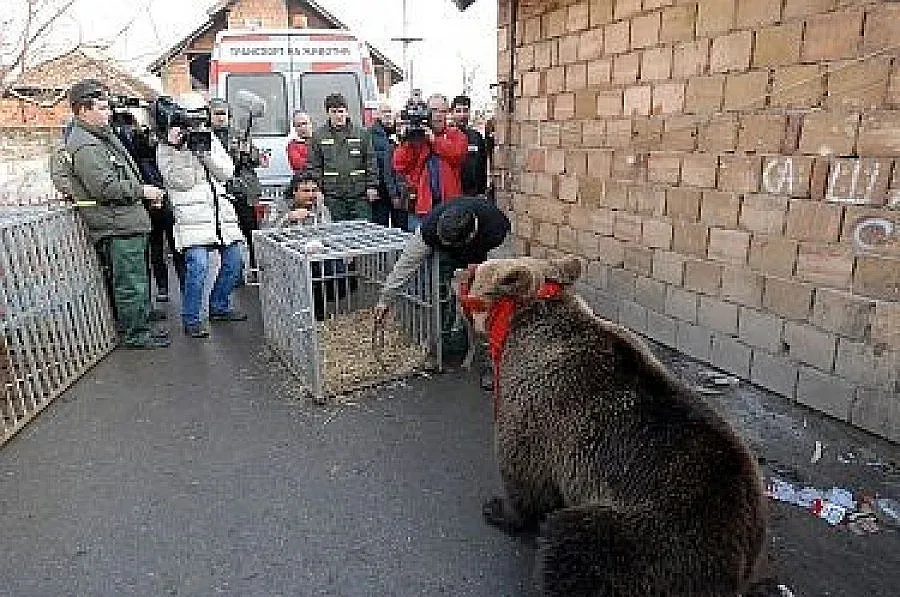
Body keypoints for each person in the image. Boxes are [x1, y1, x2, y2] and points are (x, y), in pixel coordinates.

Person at [62, 79, 170, 350]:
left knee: (136, 276)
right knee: (130, 281)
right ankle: (136, 332)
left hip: (125, 220)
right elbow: (105, 187)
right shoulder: (85, 145)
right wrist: (143, 192)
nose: (108, 112)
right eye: (101, 107)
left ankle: (140, 318)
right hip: (116, 223)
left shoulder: (100, 136)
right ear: (81, 110)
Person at [375, 196, 510, 380]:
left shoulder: (496, 226)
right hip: (448, 256)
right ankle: (444, 346)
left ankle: (491, 357)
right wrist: (385, 300)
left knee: (490, 305)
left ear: (470, 236)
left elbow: (503, 270)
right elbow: (404, 266)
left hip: (484, 259)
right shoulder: (430, 229)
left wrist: (475, 272)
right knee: (441, 295)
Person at [156, 93, 248, 338]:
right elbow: (181, 181)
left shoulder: (208, 138)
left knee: (235, 260)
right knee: (197, 265)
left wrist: (204, 151)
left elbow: (227, 172)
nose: (196, 124)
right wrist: (181, 151)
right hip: (191, 216)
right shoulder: (166, 146)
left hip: (220, 214)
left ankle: (218, 306)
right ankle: (192, 319)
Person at [393, 93, 468, 230]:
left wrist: (433, 140)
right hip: (422, 206)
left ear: (448, 113)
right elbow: (400, 165)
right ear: (426, 112)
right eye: (434, 110)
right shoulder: (416, 136)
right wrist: (407, 141)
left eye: (443, 111)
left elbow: (457, 155)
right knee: (419, 249)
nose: (438, 115)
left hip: (448, 206)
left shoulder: (457, 135)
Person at [306, 93, 379, 221]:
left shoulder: (362, 134)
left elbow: (370, 161)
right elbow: (314, 166)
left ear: (347, 112)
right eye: (334, 112)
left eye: (341, 111)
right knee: (335, 232)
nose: (338, 116)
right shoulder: (318, 136)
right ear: (328, 113)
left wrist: (372, 186)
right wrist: (317, 189)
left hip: (359, 195)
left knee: (363, 232)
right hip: (333, 196)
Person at [210, 97, 262, 276]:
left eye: (223, 113)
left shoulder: (239, 134)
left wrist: (248, 153)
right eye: (216, 114)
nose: (220, 118)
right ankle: (234, 271)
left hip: (242, 191)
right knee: (227, 235)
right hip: (220, 191)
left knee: (250, 230)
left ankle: (255, 266)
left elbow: (255, 160)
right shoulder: (206, 137)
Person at [369, 102, 408, 230]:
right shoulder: (369, 135)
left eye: (390, 112)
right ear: (377, 115)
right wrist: (372, 186)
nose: (387, 115)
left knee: (401, 227)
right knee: (380, 228)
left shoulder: (402, 135)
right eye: (384, 112)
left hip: (399, 191)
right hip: (380, 191)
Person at [450, 95, 488, 197]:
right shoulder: (445, 136)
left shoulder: (476, 137)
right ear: (452, 113)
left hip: (472, 194)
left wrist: (481, 192)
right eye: (458, 111)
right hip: (451, 194)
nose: (462, 115)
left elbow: (482, 166)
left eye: (465, 111)